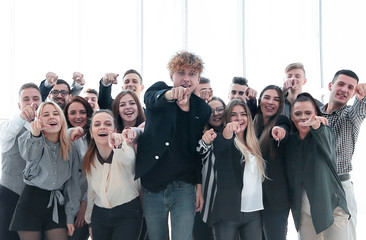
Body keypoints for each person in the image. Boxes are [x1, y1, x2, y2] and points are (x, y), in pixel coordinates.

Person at [135, 51, 212, 240]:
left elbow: (196, 153)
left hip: (184, 187)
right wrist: (170, 95)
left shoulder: (202, 108)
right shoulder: (159, 91)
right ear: (172, 76)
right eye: (181, 72)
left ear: (198, 78)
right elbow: (151, 99)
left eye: (192, 74)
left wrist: (198, 187)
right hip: (153, 185)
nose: (186, 78)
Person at [10, 101, 81, 240]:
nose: (52, 117)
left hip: (56, 203)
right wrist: (35, 134)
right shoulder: (31, 138)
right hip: (31, 202)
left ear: (61, 119)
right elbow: (28, 155)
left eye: (56, 114)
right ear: (39, 119)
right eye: (46, 114)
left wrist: (70, 216)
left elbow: (73, 183)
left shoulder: (70, 148)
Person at [198, 99, 265, 240]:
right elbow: (210, 151)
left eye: (243, 114)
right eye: (234, 115)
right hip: (227, 212)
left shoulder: (254, 142)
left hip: (253, 211)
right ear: (227, 118)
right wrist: (227, 135)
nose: (239, 118)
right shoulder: (219, 140)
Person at [285, 93, 349, 239]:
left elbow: (324, 137)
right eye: (298, 113)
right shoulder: (291, 142)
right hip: (305, 213)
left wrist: (316, 125)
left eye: (308, 113)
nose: (303, 117)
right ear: (292, 117)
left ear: (316, 114)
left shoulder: (324, 131)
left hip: (332, 209)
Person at [320, 69, 366, 240]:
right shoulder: (314, 112)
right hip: (315, 184)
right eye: (340, 84)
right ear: (331, 85)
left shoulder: (351, 115)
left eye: (350, 87)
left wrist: (364, 93)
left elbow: (362, 108)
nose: (344, 90)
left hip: (341, 185)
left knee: (346, 235)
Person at [83, 110, 142, 240]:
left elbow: (128, 160)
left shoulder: (125, 146)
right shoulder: (89, 158)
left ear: (115, 130)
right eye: (97, 124)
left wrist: (118, 146)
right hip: (100, 216)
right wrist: (90, 221)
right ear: (92, 133)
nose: (102, 127)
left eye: (107, 124)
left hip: (127, 214)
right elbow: (91, 193)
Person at [0, 83, 42, 240]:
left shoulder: (47, 129)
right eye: (26, 99)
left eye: (36, 98)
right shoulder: (7, 127)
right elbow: (8, 131)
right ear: (19, 105)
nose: (31, 103)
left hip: (37, 200)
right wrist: (22, 117)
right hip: (10, 197)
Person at [253, 85, 291, 240]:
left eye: (276, 99)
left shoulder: (281, 120)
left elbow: (284, 128)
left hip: (275, 199)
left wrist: (281, 131)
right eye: (267, 97)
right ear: (260, 100)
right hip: (254, 197)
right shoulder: (253, 123)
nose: (270, 102)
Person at [193, 96, 226, 240]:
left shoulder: (236, 135)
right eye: (211, 111)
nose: (216, 113)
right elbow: (198, 154)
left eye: (220, 109)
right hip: (203, 197)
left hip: (228, 200)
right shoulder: (200, 135)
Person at [64, 96, 94, 240]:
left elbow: (94, 176)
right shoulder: (62, 137)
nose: (78, 117)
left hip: (84, 204)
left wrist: (84, 204)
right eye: (73, 113)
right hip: (62, 203)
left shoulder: (95, 138)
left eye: (82, 112)